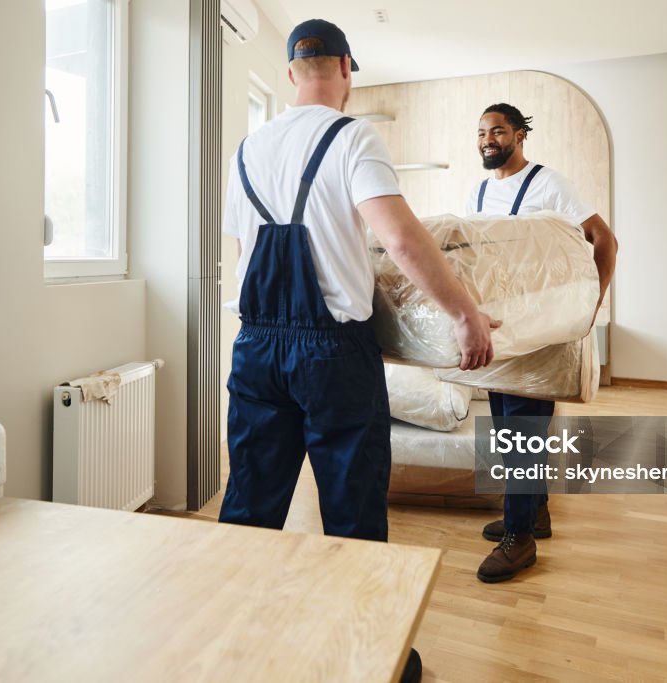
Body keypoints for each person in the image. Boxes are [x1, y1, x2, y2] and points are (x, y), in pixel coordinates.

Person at [219, 19, 499, 682]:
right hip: (332, 357)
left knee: (249, 506)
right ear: (348, 68)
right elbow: (400, 239)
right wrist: (465, 316)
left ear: (291, 73)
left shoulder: (247, 150)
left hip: (255, 345)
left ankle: (232, 644)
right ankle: (369, 659)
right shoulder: (353, 137)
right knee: (350, 511)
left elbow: (241, 256)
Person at [467, 103, 617, 583]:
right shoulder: (481, 191)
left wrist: (590, 307)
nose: (488, 140)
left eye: (498, 131)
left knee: (523, 436)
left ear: (520, 135)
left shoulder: (550, 184)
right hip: (501, 331)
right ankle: (534, 516)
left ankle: (520, 540)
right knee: (508, 431)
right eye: (482, 133)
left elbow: (605, 240)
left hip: (541, 331)